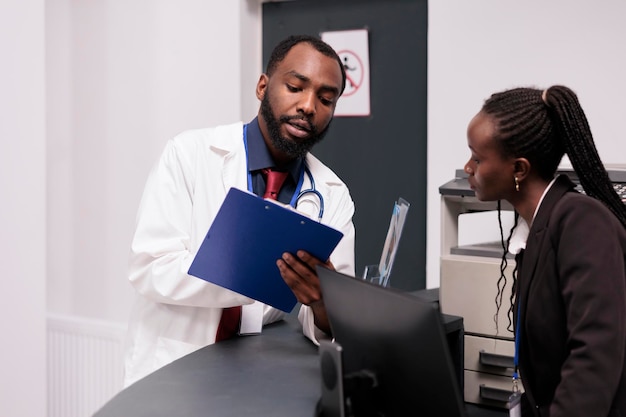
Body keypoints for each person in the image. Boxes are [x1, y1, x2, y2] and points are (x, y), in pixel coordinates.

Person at [122, 34, 355, 387]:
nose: (309, 106)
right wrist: (256, 273)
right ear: (263, 86)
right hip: (171, 368)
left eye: (326, 99)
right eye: (295, 87)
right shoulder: (188, 155)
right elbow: (150, 267)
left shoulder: (333, 194)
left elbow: (329, 319)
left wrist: (323, 303)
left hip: (253, 374)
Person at [463, 85, 626, 417]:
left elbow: (593, 359)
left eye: (477, 158)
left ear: (519, 170)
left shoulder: (582, 222)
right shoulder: (538, 227)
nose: (468, 167)